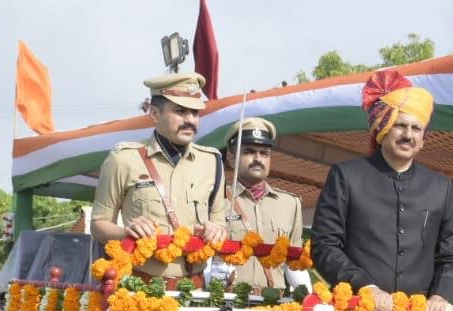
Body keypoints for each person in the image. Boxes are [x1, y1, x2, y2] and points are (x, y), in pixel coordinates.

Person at [311, 69, 453, 311]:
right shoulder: (347, 176)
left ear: (424, 139)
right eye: (400, 125)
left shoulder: (439, 187)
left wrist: (440, 295)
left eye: (416, 128)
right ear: (383, 129)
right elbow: (324, 246)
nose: (408, 135)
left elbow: (449, 257)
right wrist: (365, 286)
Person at [90, 73, 229, 282]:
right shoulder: (123, 160)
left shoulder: (212, 162)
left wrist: (216, 230)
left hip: (195, 288)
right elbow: (98, 225)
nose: (190, 120)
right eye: (180, 111)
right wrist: (126, 233)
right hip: (140, 289)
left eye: (195, 112)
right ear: (154, 114)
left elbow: (220, 224)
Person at [219, 117, 306, 294]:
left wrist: (308, 299)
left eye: (264, 153)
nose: (258, 159)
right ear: (231, 157)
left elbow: (295, 264)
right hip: (227, 303)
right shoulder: (217, 199)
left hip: (274, 304)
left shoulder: (290, 204)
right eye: (249, 152)